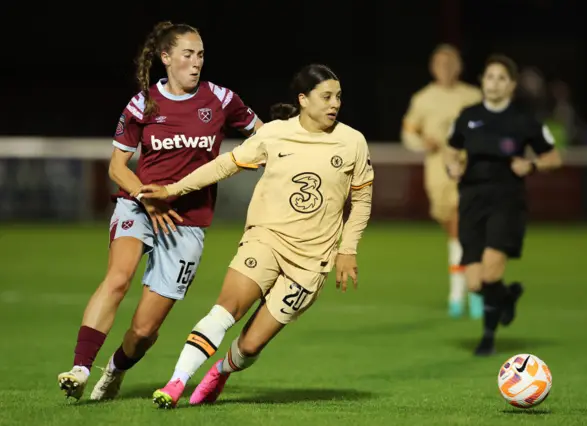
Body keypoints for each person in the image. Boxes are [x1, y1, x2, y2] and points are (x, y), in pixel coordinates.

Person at [137, 64, 374, 408]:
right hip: (266, 240)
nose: (334, 103)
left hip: (311, 261)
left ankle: (220, 371)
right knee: (225, 310)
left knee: (249, 347)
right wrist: (172, 189)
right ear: (304, 100)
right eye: (326, 96)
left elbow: (362, 200)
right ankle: (176, 382)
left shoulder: (352, 141)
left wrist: (347, 250)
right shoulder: (274, 134)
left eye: (338, 96)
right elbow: (223, 165)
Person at [57, 20, 262, 400]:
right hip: (138, 204)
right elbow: (117, 167)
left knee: (144, 331)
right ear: (166, 57)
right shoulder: (143, 103)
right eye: (188, 54)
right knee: (119, 277)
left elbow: (262, 135)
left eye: (201, 55)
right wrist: (145, 196)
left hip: (187, 223)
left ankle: (115, 368)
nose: (196, 62)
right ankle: (81, 367)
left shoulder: (220, 99)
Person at [444, 54, 562, 356]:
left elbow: (553, 157)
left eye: (501, 78)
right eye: (489, 77)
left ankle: (487, 339)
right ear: (482, 82)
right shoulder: (467, 115)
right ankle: (507, 297)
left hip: (506, 200)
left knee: (491, 273)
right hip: (471, 199)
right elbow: (451, 150)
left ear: (511, 86)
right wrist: (452, 167)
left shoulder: (524, 120)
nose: (493, 83)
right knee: (473, 283)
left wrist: (532, 165)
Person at [401, 44, 483, 319]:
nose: (446, 68)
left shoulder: (472, 96)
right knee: (452, 228)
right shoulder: (423, 98)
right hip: (437, 170)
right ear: (433, 68)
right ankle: (466, 289)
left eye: (451, 63)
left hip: (469, 168)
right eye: (440, 63)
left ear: (459, 66)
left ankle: (464, 294)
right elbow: (409, 132)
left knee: (464, 225)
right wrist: (423, 142)